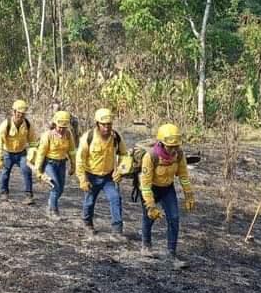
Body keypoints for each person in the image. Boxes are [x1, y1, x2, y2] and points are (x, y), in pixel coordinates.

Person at [138, 124, 196, 266]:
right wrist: (151, 206)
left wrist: (188, 194)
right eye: (170, 146)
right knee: (149, 217)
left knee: (174, 217)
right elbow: (145, 184)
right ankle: (146, 246)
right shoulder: (150, 156)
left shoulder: (179, 155)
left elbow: (183, 175)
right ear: (161, 143)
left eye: (176, 146)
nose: (173, 149)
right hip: (151, 189)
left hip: (167, 188)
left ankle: (171, 252)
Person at [76, 108, 128, 235]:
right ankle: (87, 222)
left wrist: (121, 171)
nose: (106, 127)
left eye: (109, 124)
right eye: (103, 125)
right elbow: (80, 159)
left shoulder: (116, 137)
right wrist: (82, 179)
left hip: (108, 177)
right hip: (91, 176)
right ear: (97, 124)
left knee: (115, 198)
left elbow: (125, 155)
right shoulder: (88, 137)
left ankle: (117, 229)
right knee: (89, 201)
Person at [33, 110, 77, 218]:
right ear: (55, 124)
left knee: (61, 189)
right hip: (49, 164)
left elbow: (72, 150)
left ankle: (51, 202)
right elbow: (41, 154)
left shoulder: (68, 134)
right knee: (56, 186)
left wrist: (73, 165)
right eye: (60, 127)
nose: (62, 129)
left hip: (62, 163)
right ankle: (53, 211)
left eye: (64, 127)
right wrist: (38, 170)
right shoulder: (47, 136)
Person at [0, 99, 37, 204]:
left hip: (22, 153)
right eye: (19, 113)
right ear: (13, 112)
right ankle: (3, 193)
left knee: (27, 171)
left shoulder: (27, 124)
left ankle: (29, 195)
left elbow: (32, 141)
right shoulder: (6, 124)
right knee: (5, 173)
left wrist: (33, 153)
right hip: (8, 153)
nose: (21, 115)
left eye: (23, 114)